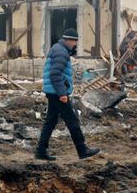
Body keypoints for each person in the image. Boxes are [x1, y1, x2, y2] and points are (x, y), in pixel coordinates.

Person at [36, 28, 100, 161]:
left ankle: (41, 151)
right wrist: (62, 93)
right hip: (57, 92)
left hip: (52, 91)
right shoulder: (61, 52)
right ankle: (83, 150)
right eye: (75, 41)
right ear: (68, 40)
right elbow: (55, 74)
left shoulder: (58, 49)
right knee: (72, 120)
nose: (75, 44)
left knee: (51, 121)